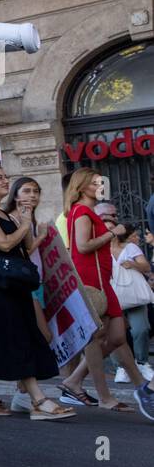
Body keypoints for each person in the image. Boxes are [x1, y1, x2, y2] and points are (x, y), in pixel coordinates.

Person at [0, 164, 69, 419]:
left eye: (5, 177)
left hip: (10, 283)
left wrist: (38, 234)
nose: (4, 180)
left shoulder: (4, 214)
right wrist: (24, 222)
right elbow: (4, 243)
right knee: (16, 333)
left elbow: (24, 248)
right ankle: (38, 400)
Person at [59, 168, 154, 420]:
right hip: (92, 280)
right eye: (94, 183)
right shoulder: (81, 211)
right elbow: (82, 246)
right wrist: (114, 232)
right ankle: (107, 395)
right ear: (82, 187)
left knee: (117, 336)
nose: (100, 186)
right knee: (98, 337)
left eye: (101, 182)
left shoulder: (85, 211)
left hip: (103, 280)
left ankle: (74, 380)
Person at [112, 224, 152, 379]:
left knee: (140, 329)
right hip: (112, 296)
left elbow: (146, 266)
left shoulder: (130, 248)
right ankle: (121, 367)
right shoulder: (99, 250)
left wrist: (133, 264)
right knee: (115, 334)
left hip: (134, 295)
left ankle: (142, 362)